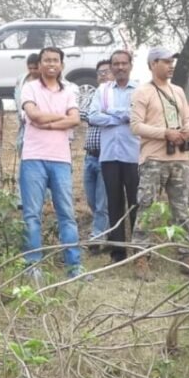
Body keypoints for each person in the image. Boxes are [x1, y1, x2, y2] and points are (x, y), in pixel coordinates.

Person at [130, 47, 189, 281]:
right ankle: (141, 257)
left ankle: (187, 256)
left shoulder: (178, 91)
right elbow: (136, 126)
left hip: (181, 159)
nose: (171, 65)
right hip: (153, 159)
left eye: (172, 62)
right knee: (147, 208)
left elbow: (188, 118)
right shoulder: (143, 92)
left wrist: (188, 131)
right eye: (166, 61)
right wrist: (165, 134)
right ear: (153, 64)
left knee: (182, 208)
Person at [19, 46, 86, 279]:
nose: (50, 64)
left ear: (62, 65)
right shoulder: (29, 87)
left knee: (67, 214)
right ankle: (32, 265)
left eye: (55, 60)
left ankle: (74, 266)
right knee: (31, 214)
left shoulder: (68, 91)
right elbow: (33, 115)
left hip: (61, 160)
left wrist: (47, 123)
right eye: (46, 60)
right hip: (33, 158)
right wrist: (62, 118)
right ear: (39, 65)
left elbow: (76, 119)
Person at [88, 50, 140, 264]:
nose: (120, 67)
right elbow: (93, 116)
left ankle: (139, 249)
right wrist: (120, 116)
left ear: (130, 65)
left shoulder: (140, 90)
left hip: (134, 154)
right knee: (114, 203)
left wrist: (111, 114)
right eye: (116, 64)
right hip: (108, 155)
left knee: (137, 203)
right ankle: (118, 252)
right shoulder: (103, 90)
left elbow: (137, 115)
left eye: (123, 63)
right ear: (111, 66)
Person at [79, 59, 112, 250]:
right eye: (99, 72)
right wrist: (99, 116)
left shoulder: (116, 95)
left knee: (102, 201)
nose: (102, 75)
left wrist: (100, 115)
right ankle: (104, 232)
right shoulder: (93, 94)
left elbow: (105, 116)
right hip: (89, 155)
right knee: (91, 199)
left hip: (106, 156)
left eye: (106, 71)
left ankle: (97, 237)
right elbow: (83, 114)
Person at [14, 53, 41, 157]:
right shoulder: (22, 79)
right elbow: (17, 98)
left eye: (36, 68)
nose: (33, 71)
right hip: (23, 119)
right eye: (30, 68)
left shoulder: (44, 80)